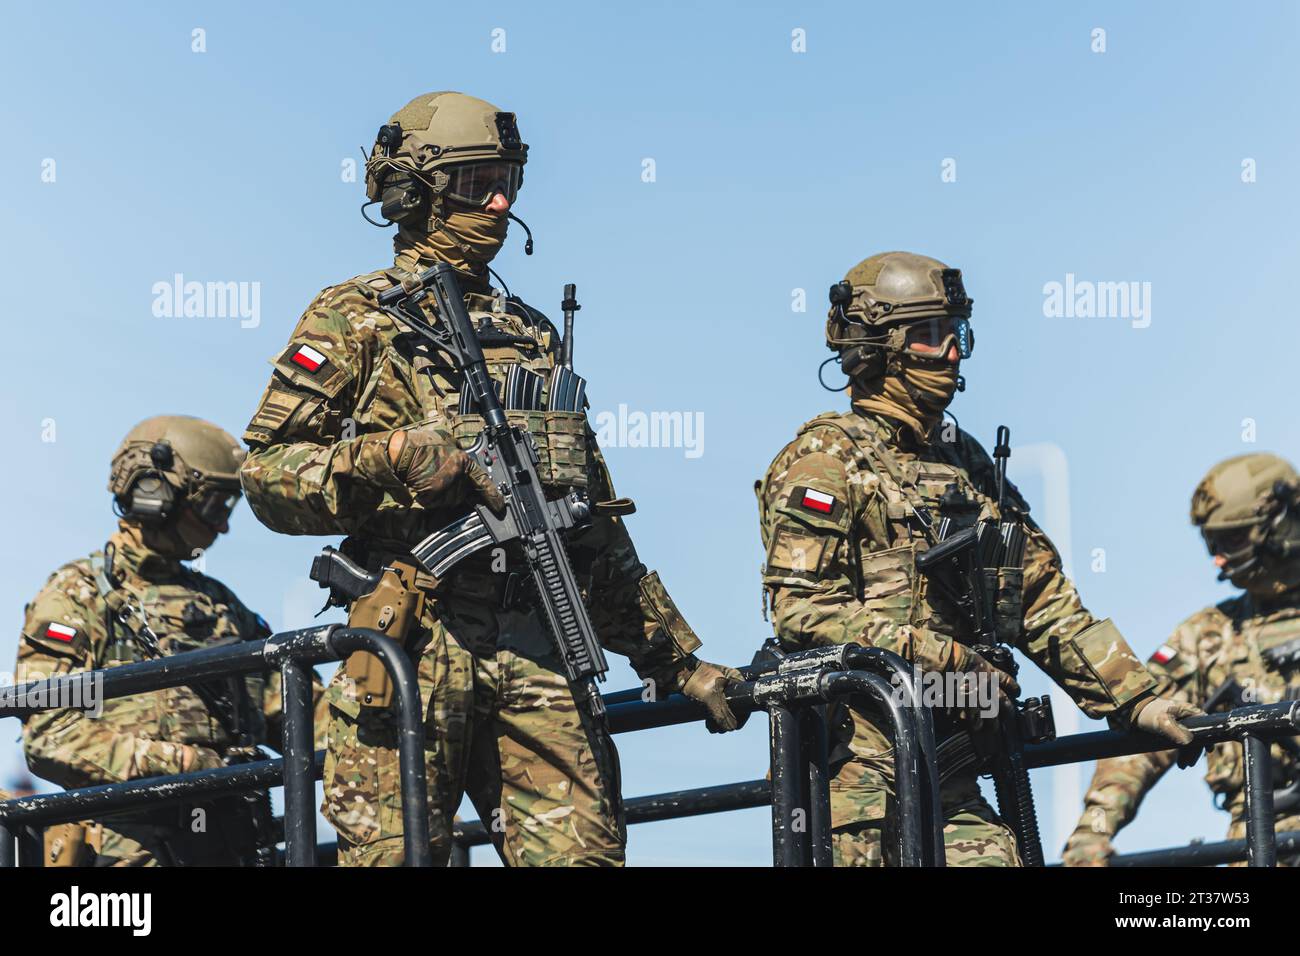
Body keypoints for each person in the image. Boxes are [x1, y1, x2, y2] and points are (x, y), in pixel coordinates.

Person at [240, 91, 741, 867]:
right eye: (479, 181)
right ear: (414, 190)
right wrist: (399, 456)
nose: (502, 201)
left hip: (537, 640)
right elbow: (265, 475)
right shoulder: (352, 317)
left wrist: (677, 659)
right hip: (413, 639)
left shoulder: (532, 331)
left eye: (509, 178)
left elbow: (592, 521)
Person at [756, 250, 1197, 866]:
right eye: (932, 336)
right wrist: (945, 658)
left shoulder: (965, 463)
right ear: (878, 347)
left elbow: (1041, 598)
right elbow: (801, 614)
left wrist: (1138, 698)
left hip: (953, 772)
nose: (954, 352)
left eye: (957, 333)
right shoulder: (824, 462)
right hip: (857, 786)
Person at [15, 415, 322, 866]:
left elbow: (299, 711)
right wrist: (189, 768)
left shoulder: (220, 606)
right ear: (155, 491)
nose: (222, 528)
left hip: (236, 849)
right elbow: (50, 733)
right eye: (215, 507)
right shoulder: (76, 596)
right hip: (133, 856)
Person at [1064, 454, 1300, 866]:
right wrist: (1090, 837)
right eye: (1212, 544)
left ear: (1279, 521)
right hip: (1261, 846)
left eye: (1232, 540)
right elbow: (1142, 741)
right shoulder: (1208, 635)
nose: (1219, 559)